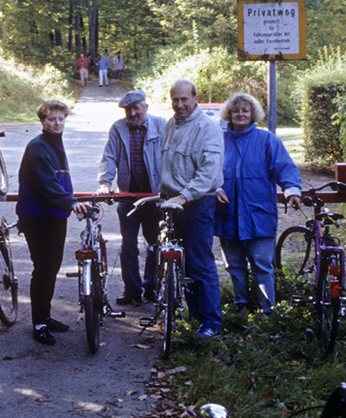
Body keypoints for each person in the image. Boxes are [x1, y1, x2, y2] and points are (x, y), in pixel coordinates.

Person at [215, 93, 301, 314]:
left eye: (245, 110)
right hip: (228, 215)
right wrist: (215, 189)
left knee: (262, 265)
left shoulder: (267, 140)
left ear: (253, 114)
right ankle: (241, 306)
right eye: (236, 111)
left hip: (259, 215)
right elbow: (208, 170)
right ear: (229, 114)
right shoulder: (219, 140)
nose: (240, 114)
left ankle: (267, 311)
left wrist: (292, 190)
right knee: (234, 265)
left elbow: (285, 168)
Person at [16, 99, 90, 345]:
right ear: (42, 121)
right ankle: (38, 323)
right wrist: (70, 202)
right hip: (37, 217)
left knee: (51, 269)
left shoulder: (55, 144)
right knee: (44, 269)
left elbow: (60, 183)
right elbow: (47, 184)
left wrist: (70, 202)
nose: (57, 123)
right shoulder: (38, 146)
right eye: (51, 119)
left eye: (60, 119)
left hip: (55, 216)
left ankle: (45, 317)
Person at [160, 80, 225, 338]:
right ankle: (195, 317)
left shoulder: (207, 129)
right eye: (175, 99)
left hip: (197, 204)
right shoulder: (171, 124)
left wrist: (184, 197)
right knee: (182, 263)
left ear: (195, 98)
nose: (180, 104)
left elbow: (208, 173)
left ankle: (212, 323)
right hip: (171, 204)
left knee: (200, 263)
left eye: (185, 99)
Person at [96, 90, 166, 305]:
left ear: (145, 107)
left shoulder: (161, 125)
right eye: (129, 110)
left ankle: (151, 287)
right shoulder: (118, 128)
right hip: (127, 196)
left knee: (155, 244)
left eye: (137, 108)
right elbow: (109, 157)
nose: (133, 113)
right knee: (128, 244)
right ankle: (132, 289)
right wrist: (105, 183)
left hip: (155, 196)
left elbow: (170, 155)